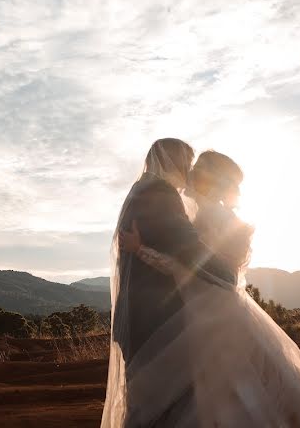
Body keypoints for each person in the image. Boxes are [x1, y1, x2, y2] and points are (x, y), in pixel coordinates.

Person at [117, 150, 300, 427]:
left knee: (224, 390)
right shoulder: (197, 212)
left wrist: (141, 250)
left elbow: (207, 273)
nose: (191, 172)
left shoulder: (220, 219)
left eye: (199, 169)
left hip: (214, 315)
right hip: (202, 310)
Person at [101, 139, 239, 428]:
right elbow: (188, 247)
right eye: (186, 163)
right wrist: (225, 273)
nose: (188, 170)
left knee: (143, 399)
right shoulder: (161, 194)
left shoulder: (137, 191)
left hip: (134, 316)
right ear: (173, 161)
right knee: (166, 401)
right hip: (158, 319)